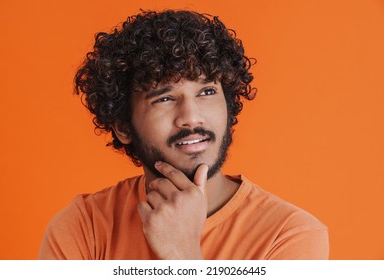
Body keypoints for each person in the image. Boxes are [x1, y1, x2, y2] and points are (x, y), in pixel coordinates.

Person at [38, 9, 329, 260]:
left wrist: (183, 254)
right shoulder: (84, 227)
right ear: (124, 127)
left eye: (206, 92)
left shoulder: (289, 235)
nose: (191, 117)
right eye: (164, 98)